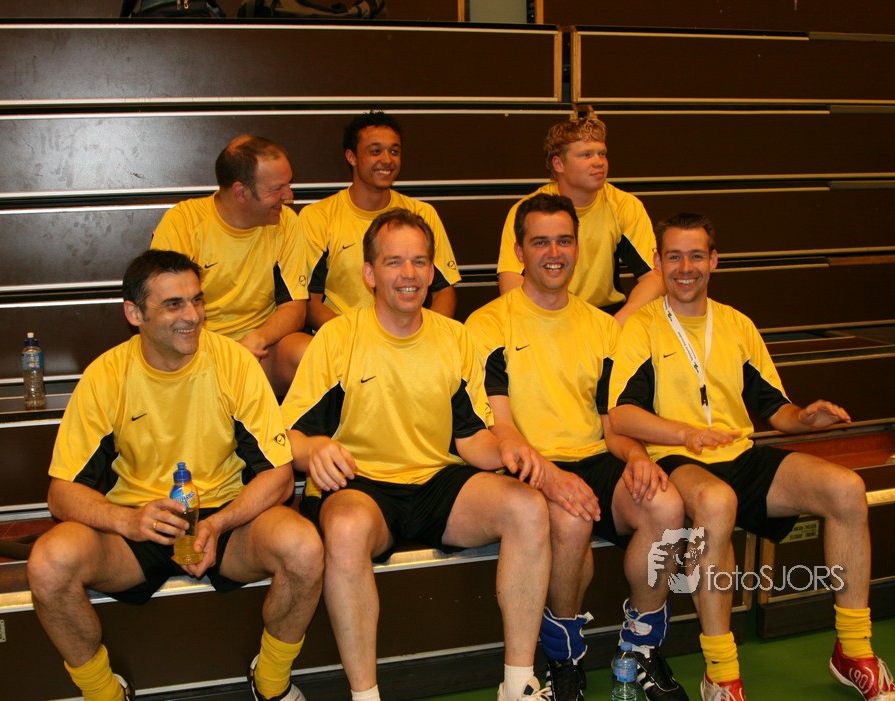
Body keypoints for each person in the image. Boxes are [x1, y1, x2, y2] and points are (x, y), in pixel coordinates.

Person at [608, 213, 895, 701]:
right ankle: (721, 673)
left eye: (696, 255)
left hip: (739, 453)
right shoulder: (640, 328)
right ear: (658, 263)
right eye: (674, 256)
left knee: (846, 489)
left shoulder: (736, 324)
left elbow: (775, 409)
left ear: (714, 260)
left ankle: (854, 651)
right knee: (717, 501)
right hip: (676, 458)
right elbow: (622, 414)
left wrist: (805, 418)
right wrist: (686, 433)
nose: (686, 267)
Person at [27, 250, 324, 701]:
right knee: (48, 563)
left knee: (304, 547)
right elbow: (61, 493)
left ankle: (271, 681)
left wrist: (216, 524)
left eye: (197, 300)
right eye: (173, 304)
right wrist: (129, 521)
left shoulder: (234, 363)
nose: (192, 316)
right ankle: (104, 692)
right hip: (138, 524)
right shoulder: (105, 375)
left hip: (224, 521)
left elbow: (280, 477)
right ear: (134, 314)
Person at [282, 208, 552, 701]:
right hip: (362, 485)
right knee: (345, 529)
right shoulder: (338, 339)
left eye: (420, 262)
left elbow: (470, 437)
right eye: (394, 262)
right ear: (369, 273)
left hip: (436, 483)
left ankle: (520, 685)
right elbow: (289, 439)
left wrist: (508, 448)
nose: (409, 274)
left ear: (431, 272)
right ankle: (365, 695)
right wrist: (314, 448)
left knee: (528, 507)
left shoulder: (455, 337)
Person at [466, 193, 689, 701]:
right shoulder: (488, 324)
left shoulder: (603, 327)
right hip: (529, 464)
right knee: (571, 521)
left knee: (667, 506)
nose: (554, 253)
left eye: (564, 241)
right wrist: (551, 477)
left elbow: (613, 423)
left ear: (578, 248)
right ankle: (564, 656)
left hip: (596, 458)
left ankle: (640, 647)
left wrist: (637, 457)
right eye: (540, 242)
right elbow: (501, 428)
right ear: (519, 252)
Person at [151, 135, 309, 396]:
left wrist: (256, 339)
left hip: (259, 351)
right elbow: (167, 310)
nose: (289, 196)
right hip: (196, 350)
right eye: (277, 189)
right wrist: (225, 353)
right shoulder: (184, 222)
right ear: (240, 192)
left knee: (307, 354)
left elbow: (294, 308)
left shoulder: (287, 223)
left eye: (288, 184)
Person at [298, 110, 461, 330]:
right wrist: (357, 339)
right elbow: (309, 302)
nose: (387, 160)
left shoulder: (422, 213)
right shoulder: (318, 217)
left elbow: (444, 291)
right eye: (375, 151)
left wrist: (427, 335)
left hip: (408, 336)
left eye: (394, 151)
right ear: (351, 157)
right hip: (346, 337)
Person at [496, 112, 663, 326]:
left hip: (606, 316)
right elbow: (510, 281)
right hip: (545, 316)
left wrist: (616, 325)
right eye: (586, 155)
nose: (599, 162)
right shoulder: (528, 211)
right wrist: (541, 325)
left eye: (602, 154)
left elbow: (654, 277)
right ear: (558, 164)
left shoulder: (625, 206)